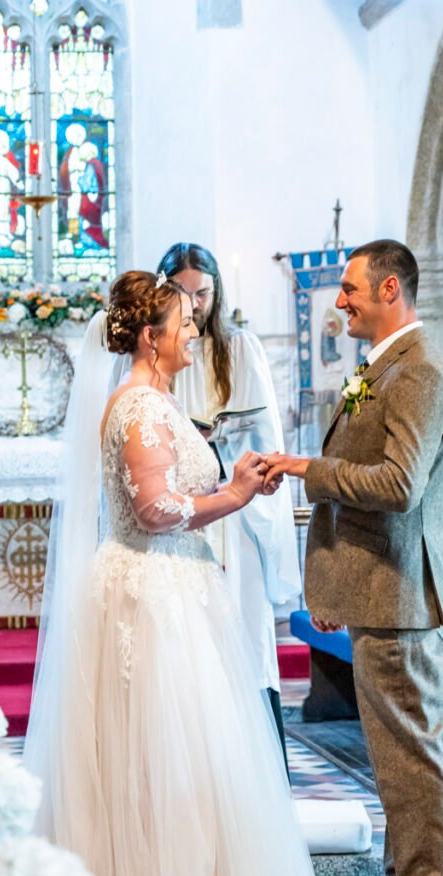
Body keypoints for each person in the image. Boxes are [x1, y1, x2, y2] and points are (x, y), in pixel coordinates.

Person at [24, 271, 343, 876]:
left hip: (179, 591)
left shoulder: (162, 402)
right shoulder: (136, 404)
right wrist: (231, 496)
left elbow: (178, 487)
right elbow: (154, 506)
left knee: (200, 766)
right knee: (160, 763)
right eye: (183, 321)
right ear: (148, 336)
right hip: (150, 599)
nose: (195, 332)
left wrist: (232, 479)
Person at [264, 240, 443, 876]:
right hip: (378, 591)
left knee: (413, 762)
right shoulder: (385, 367)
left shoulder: (418, 371)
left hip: (402, 596)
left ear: (388, 288)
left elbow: (399, 485)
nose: (338, 301)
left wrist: (306, 471)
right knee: (394, 761)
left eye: (348, 290)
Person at [157, 243, 301, 763]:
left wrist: (229, 464)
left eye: (203, 294)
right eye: (182, 294)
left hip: (235, 519)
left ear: (218, 293)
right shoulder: (156, 353)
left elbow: (264, 439)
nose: (194, 306)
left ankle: (256, 774)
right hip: (177, 514)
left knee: (242, 635)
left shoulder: (240, 349)